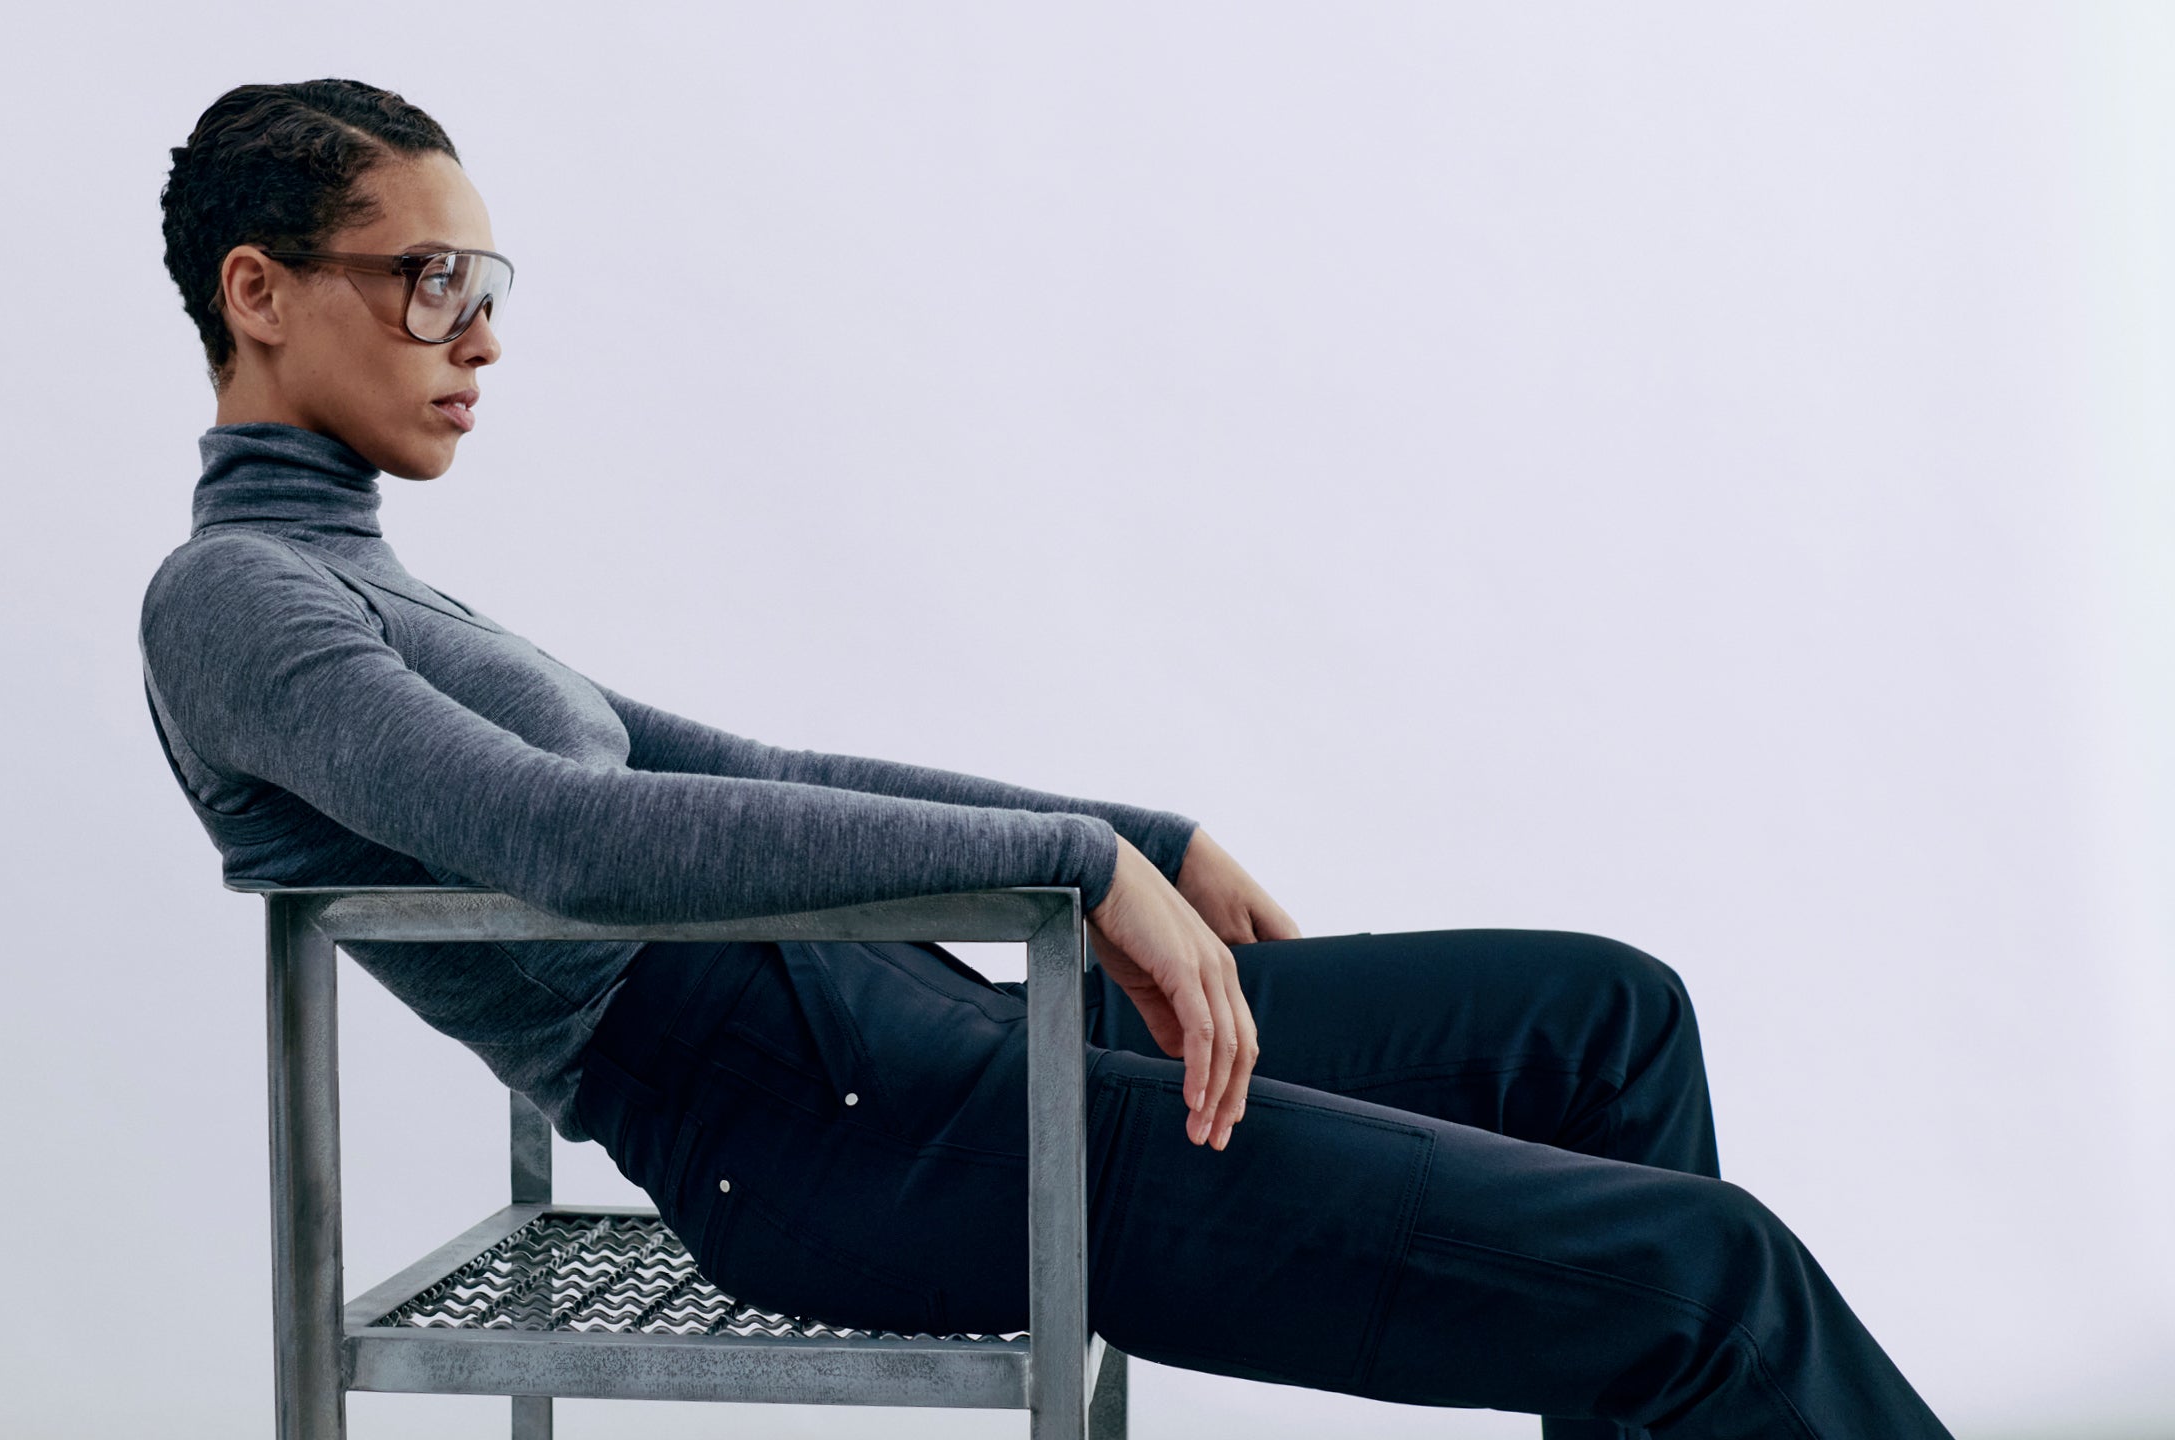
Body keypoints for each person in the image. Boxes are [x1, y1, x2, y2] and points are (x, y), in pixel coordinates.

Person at [140, 78, 1952, 1439]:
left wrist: (1137, 836)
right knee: (1712, 1279)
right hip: (835, 1140)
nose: (479, 331)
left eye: (482, 280)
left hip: (941, 1040)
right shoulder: (231, 601)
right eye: (427, 279)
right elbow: (568, 839)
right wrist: (1080, 875)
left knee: (1603, 1022)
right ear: (260, 291)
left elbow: (747, 765)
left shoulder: (382, 590)